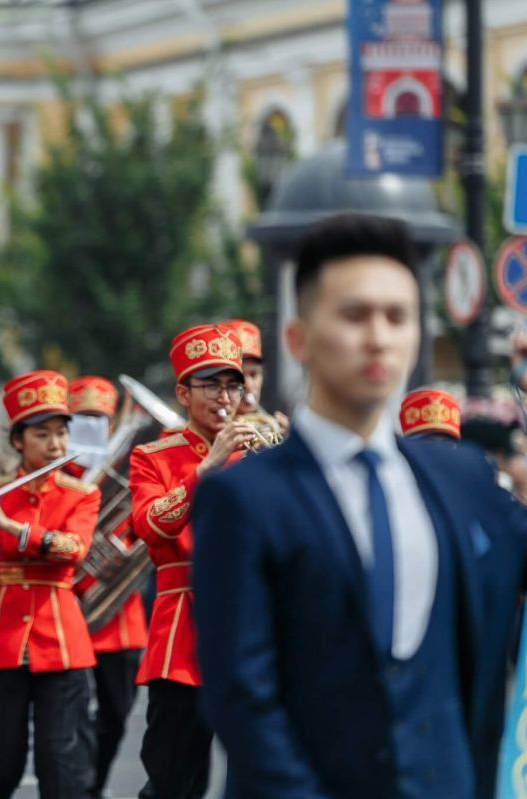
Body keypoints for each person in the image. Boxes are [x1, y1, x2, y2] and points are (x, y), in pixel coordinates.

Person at [192, 213, 527, 798]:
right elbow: (240, 697)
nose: (378, 336)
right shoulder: (242, 498)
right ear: (298, 338)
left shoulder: (465, 479)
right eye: (354, 315)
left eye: (397, 316)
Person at [128, 323, 250, 799]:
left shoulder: (259, 455)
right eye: (211, 385)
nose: (225, 396)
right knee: (174, 779)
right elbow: (149, 526)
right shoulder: (154, 457)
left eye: (232, 384)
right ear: (183, 391)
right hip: (183, 635)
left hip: (247, 630)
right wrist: (207, 467)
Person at [0, 370, 98, 799]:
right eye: (42, 435)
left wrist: (15, 529)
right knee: (1, 762)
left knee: (62, 763)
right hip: (4, 639)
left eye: (61, 434)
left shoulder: (81, 493)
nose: (55, 445)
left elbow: (74, 548)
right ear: (18, 441)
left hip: (62, 640)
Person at [66, 375, 148, 799]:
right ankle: (80, 789)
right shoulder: (55, 469)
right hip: (69, 615)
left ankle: (93, 785)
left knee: (118, 712)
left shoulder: (131, 468)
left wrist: (116, 549)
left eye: (99, 417)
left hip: (119, 615)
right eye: (82, 417)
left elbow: (142, 527)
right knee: (72, 718)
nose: (91, 424)